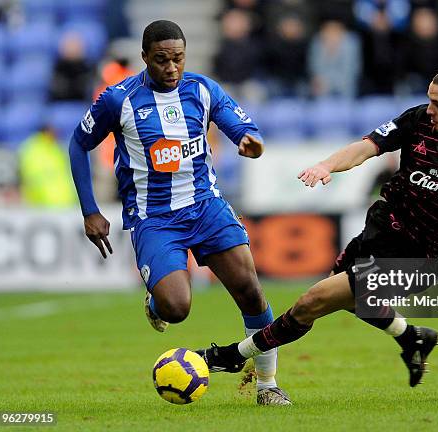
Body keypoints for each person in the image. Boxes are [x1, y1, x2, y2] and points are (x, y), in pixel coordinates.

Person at [198, 66, 438, 388]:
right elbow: (367, 147)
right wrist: (327, 165)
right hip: (378, 232)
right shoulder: (417, 120)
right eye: (429, 100)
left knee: (313, 300)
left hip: (414, 258)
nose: (430, 110)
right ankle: (412, 338)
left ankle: (233, 355)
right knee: (348, 302)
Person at [68, 20, 290, 406]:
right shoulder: (118, 99)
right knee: (177, 306)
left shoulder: (202, 89)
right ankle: (156, 302)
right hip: (154, 219)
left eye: (178, 59)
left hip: (206, 207)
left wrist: (248, 141)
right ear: (144, 58)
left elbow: (238, 124)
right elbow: (78, 143)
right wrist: (90, 210)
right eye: (161, 60)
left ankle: (267, 386)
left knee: (251, 291)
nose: (171, 68)